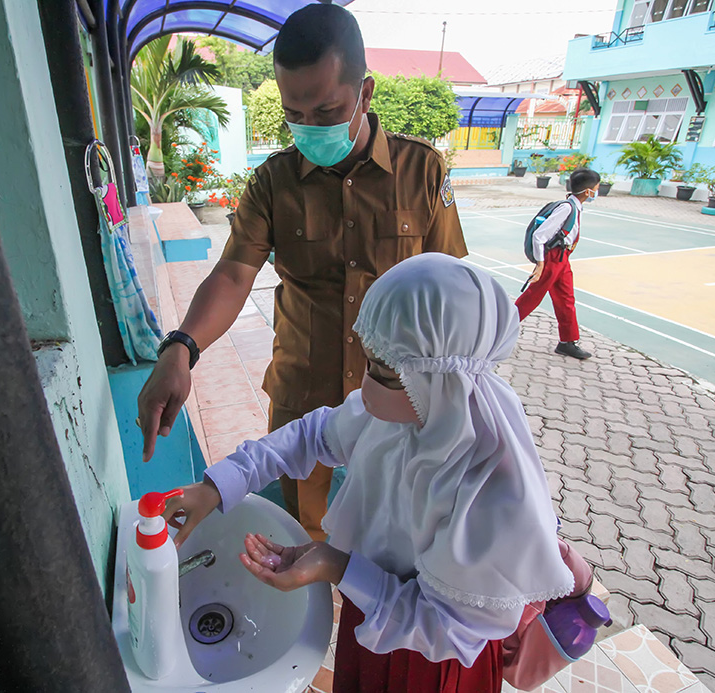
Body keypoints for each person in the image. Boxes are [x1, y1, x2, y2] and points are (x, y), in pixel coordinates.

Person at [162, 254, 574, 693]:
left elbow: (450, 628)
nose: (364, 382)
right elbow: (313, 434)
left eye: (383, 369)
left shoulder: (489, 488)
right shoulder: (402, 417)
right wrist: (220, 483)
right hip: (374, 620)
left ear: (438, 380)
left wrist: (340, 567)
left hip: (432, 667)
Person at [136, 3, 467, 540]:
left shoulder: (421, 171)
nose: (309, 128)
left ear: (365, 93)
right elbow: (233, 275)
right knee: (301, 538)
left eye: (327, 110)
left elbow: (452, 288)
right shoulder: (273, 183)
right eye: (296, 113)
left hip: (401, 395)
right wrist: (181, 348)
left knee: (401, 535)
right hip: (303, 394)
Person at [514, 167, 600, 360]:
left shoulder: (576, 206)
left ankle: (568, 342)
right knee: (531, 297)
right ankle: (496, 332)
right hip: (552, 258)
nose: (597, 191)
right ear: (588, 191)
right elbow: (539, 236)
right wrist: (541, 263)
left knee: (566, 299)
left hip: (563, 258)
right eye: (596, 188)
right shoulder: (566, 208)